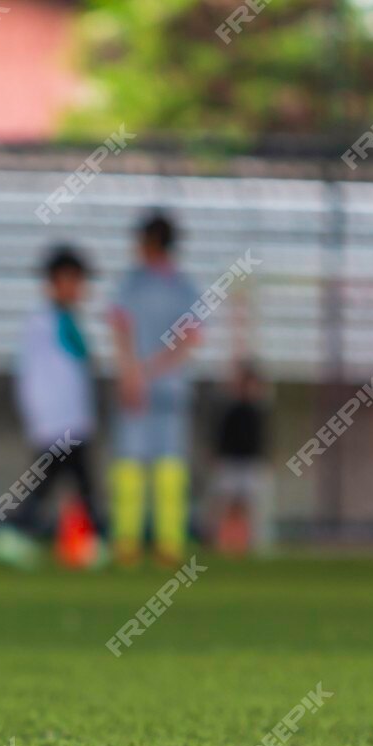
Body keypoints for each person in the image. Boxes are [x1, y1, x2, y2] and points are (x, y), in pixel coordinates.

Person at [0, 245, 104, 570]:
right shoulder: (41, 323)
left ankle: (82, 540)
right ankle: (19, 533)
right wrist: (39, 417)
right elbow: (31, 376)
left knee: (71, 483)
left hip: (73, 419)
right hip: (55, 421)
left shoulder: (68, 321)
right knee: (56, 482)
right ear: (55, 282)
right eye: (72, 281)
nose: (78, 289)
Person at [108, 210, 203, 567]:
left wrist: (134, 372)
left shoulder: (133, 284)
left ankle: (129, 543)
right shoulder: (183, 286)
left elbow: (120, 328)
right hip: (166, 385)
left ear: (150, 243)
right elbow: (190, 339)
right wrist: (151, 370)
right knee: (163, 466)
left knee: (141, 466)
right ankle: (166, 545)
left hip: (144, 386)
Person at [211, 360, 269, 555]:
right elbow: (220, 436)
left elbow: (263, 438)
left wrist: (265, 458)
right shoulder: (230, 408)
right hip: (230, 462)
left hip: (251, 463)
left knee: (252, 505)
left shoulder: (258, 410)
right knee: (225, 503)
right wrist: (218, 457)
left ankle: (254, 544)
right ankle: (221, 542)